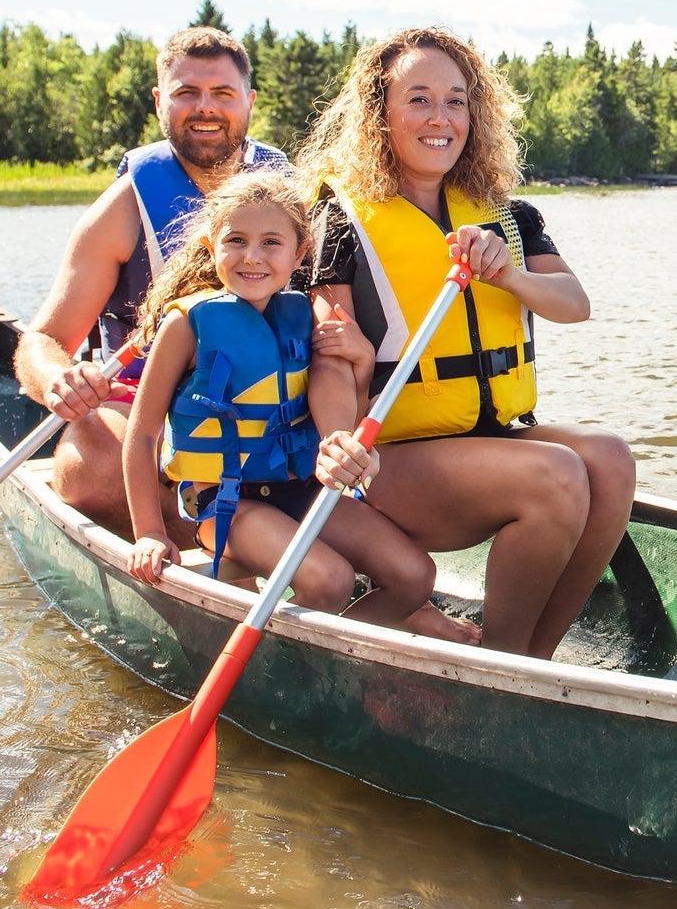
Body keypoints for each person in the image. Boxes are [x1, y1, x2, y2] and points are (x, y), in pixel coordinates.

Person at [299, 26, 636, 659]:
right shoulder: (339, 219)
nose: (441, 118)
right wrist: (337, 439)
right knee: (555, 475)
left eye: (457, 100)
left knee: (610, 460)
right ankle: (501, 663)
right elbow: (333, 354)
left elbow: (575, 305)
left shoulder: (507, 213)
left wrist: (508, 271)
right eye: (419, 99)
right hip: (390, 460)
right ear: (381, 113)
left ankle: (534, 657)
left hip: (491, 435)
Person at [119, 171, 470, 641]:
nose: (252, 257)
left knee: (414, 576)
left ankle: (326, 655)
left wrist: (359, 376)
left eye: (271, 243)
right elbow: (142, 434)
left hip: (302, 489)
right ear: (211, 245)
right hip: (229, 504)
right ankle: (306, 666)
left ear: (299, 252)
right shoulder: (187, 325)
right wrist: (149, 532)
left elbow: (338, 406)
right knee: (329, 579)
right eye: (236, 241)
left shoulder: (303, 315)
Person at [15, 26, 289, 540]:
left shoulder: (287, 194)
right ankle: (198, 553)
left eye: (223, 94)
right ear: (160, 101)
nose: (205, 107)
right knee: (91, 465)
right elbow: (41, 341)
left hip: (265, 396)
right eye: (187, 93)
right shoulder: (124, 207)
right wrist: (58, 379)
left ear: (249, 102)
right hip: (145, 401)